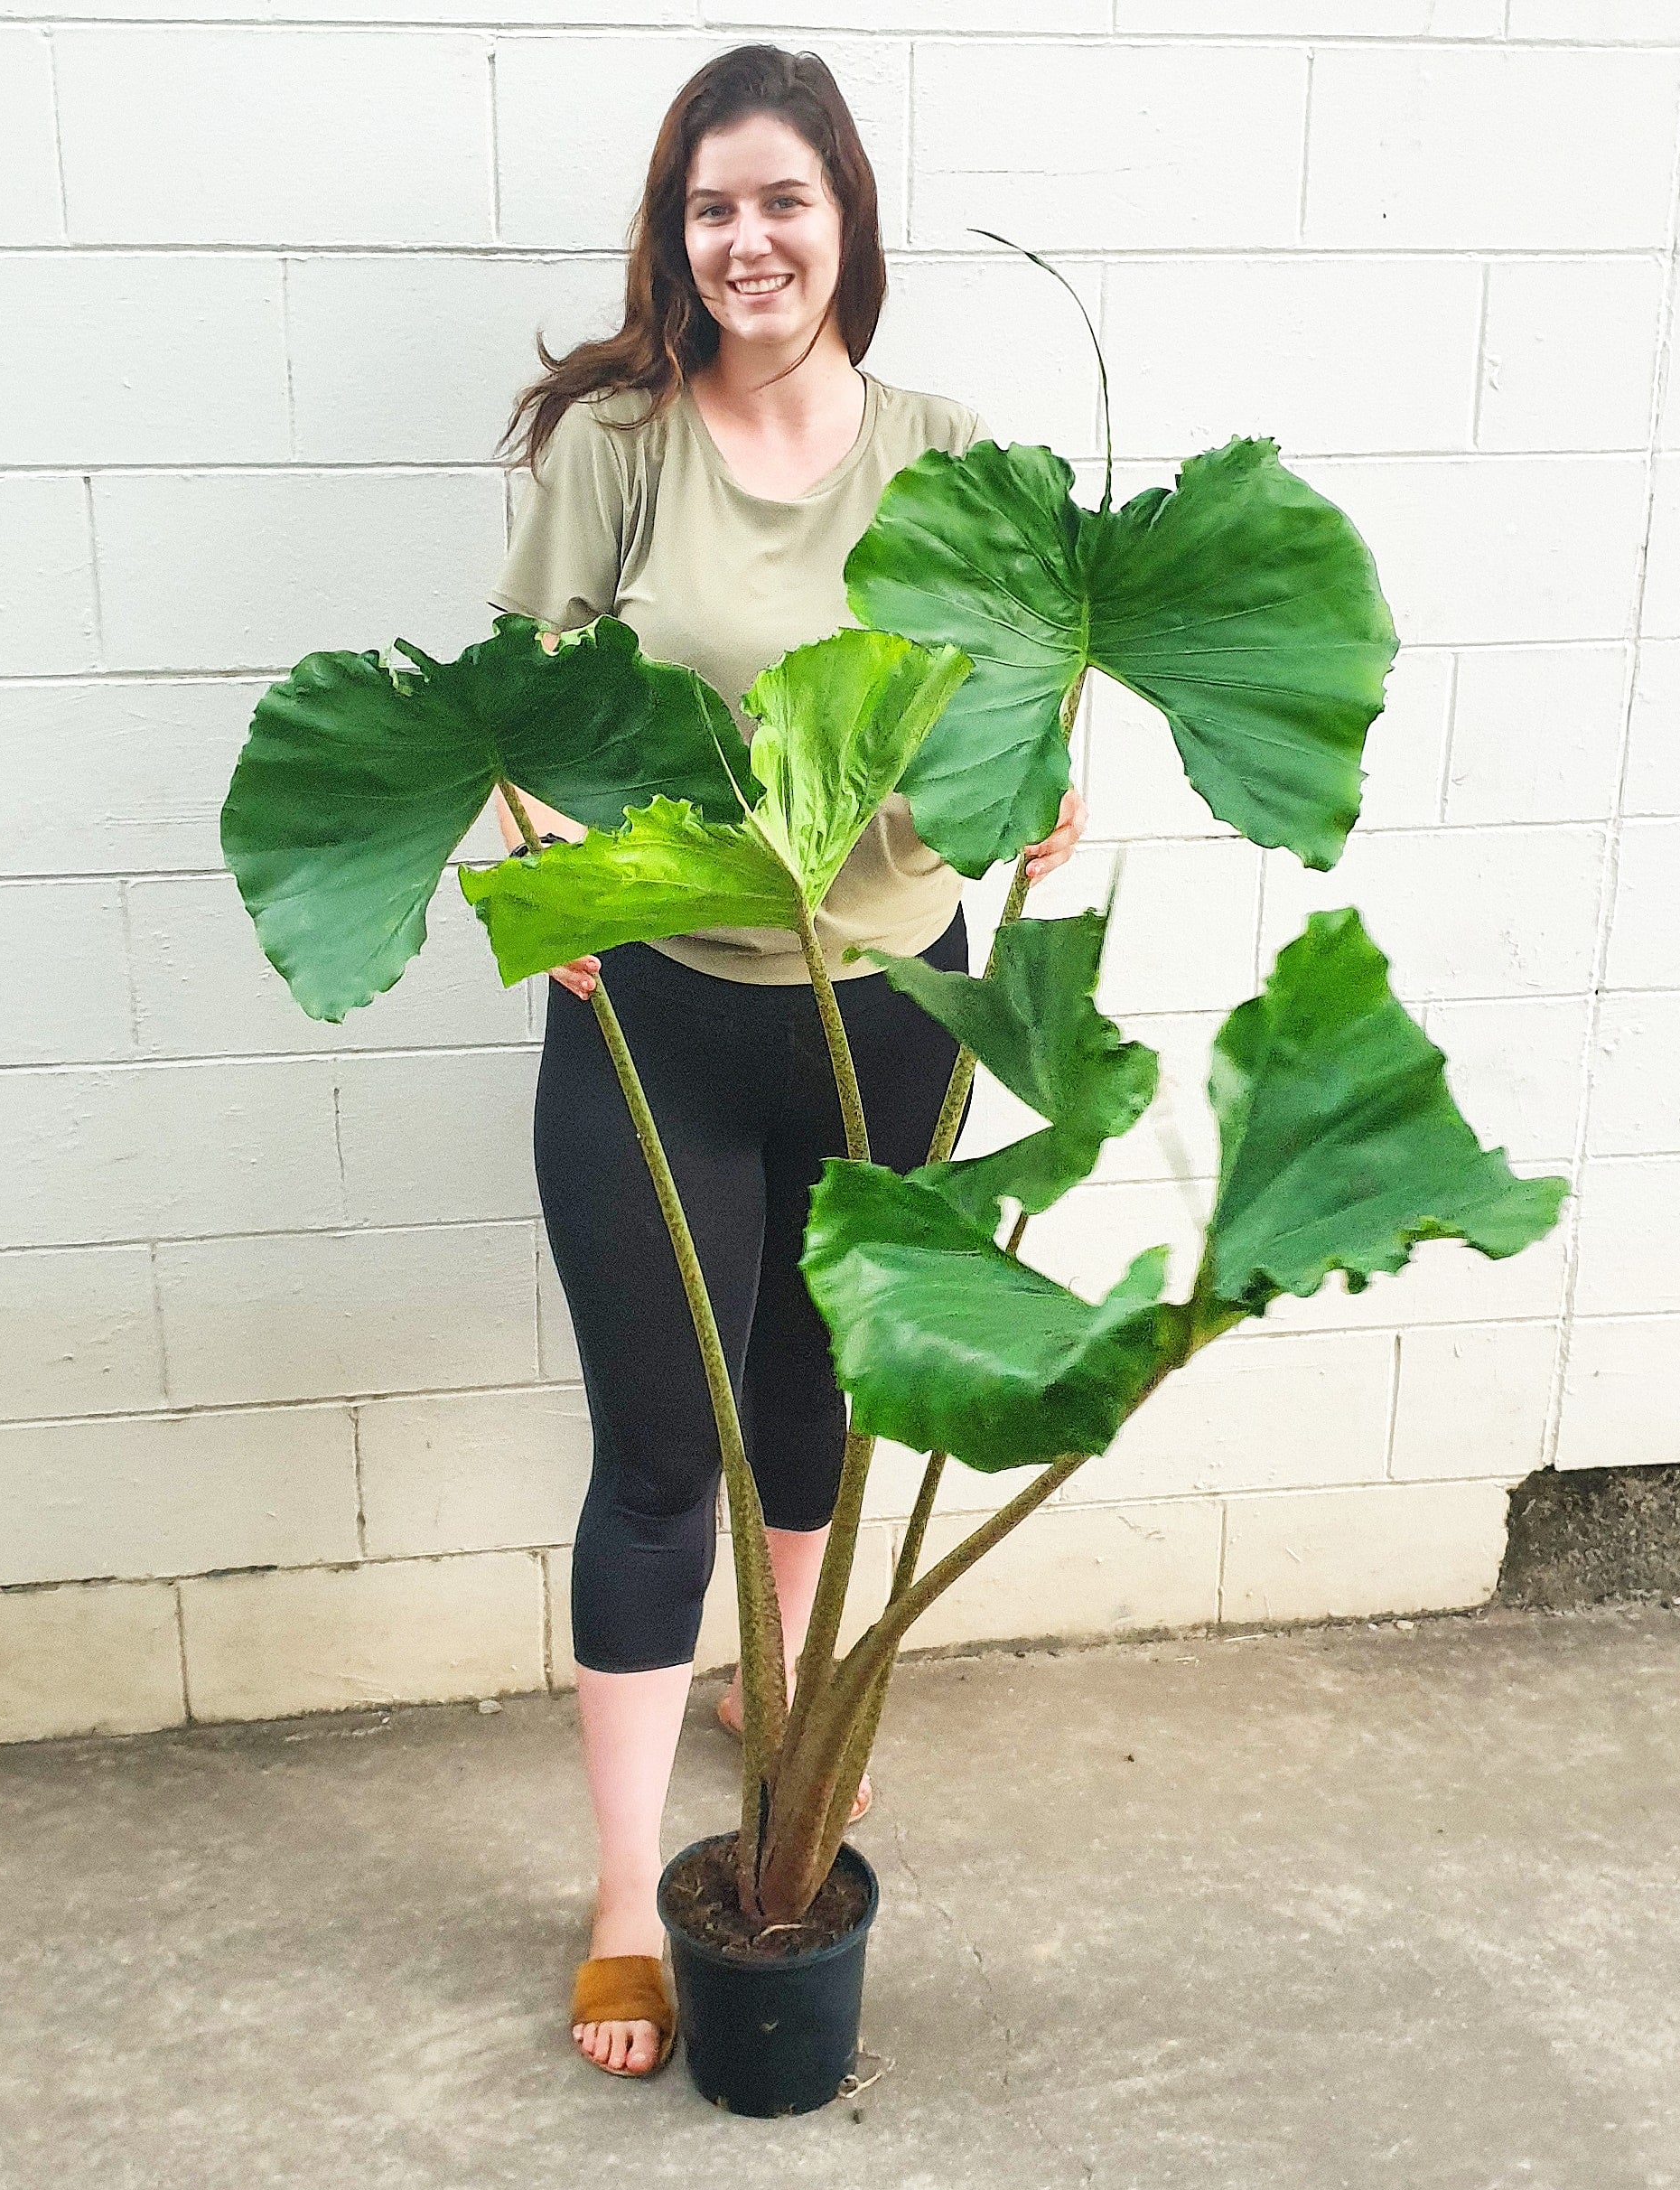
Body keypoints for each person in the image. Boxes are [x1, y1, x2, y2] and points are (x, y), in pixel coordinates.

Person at [487, 43, 1087, 2078]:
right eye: (709, 208)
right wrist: (545, 864)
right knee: (662, 1456)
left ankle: (776, 1687)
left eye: (781, 202)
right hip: (656, 1009)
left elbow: (1012, 701)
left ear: (845, 220)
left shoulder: (940, 444)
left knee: (816, 1394)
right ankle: (612, 1901)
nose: (746, 242)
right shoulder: (616, 445)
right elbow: (521, 712)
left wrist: (1042, 790)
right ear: (678, 234)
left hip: (893, 1000)